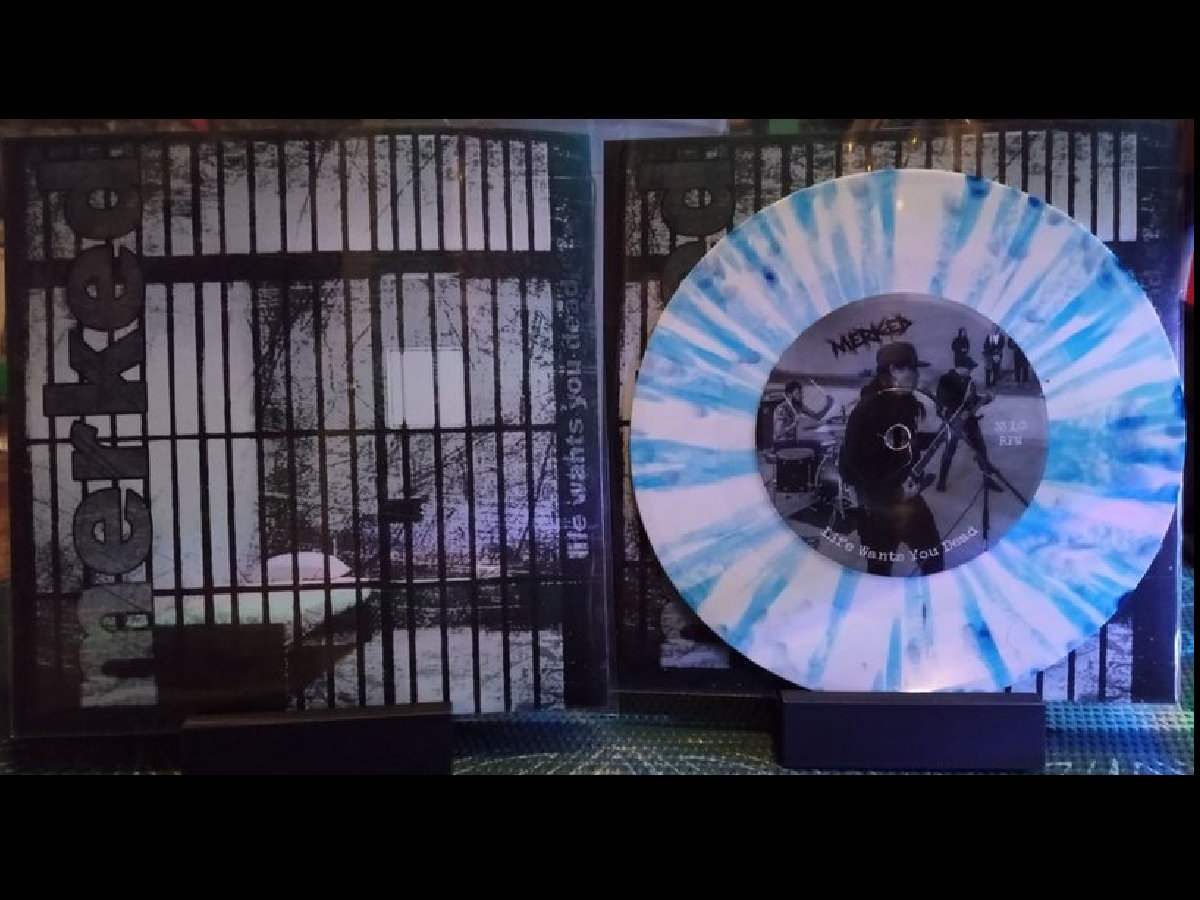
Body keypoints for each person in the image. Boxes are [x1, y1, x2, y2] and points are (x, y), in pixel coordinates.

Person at [839, 342, 944, 576]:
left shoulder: (903, 404)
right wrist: (894, 492)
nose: (917, 376)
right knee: (880, 569)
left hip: (905, 496)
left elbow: (901, 442)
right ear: (893, 370)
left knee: (932, 557)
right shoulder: (868, 410)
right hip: (878, 506)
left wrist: (937, 436)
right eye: (912, 369)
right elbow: (854, 466)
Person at [933, 355, 999, 493]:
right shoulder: (946, 380)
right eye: (969, 368)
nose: (971, 371)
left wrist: (986, 399)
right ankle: (941, 481)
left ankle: (987, 478)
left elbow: (973, 400)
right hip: (953, 420)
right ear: (960, 367)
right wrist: (955, 413)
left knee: (980, 448)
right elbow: (942, 401)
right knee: (949, 450)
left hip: (969, 420)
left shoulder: (969, 382)